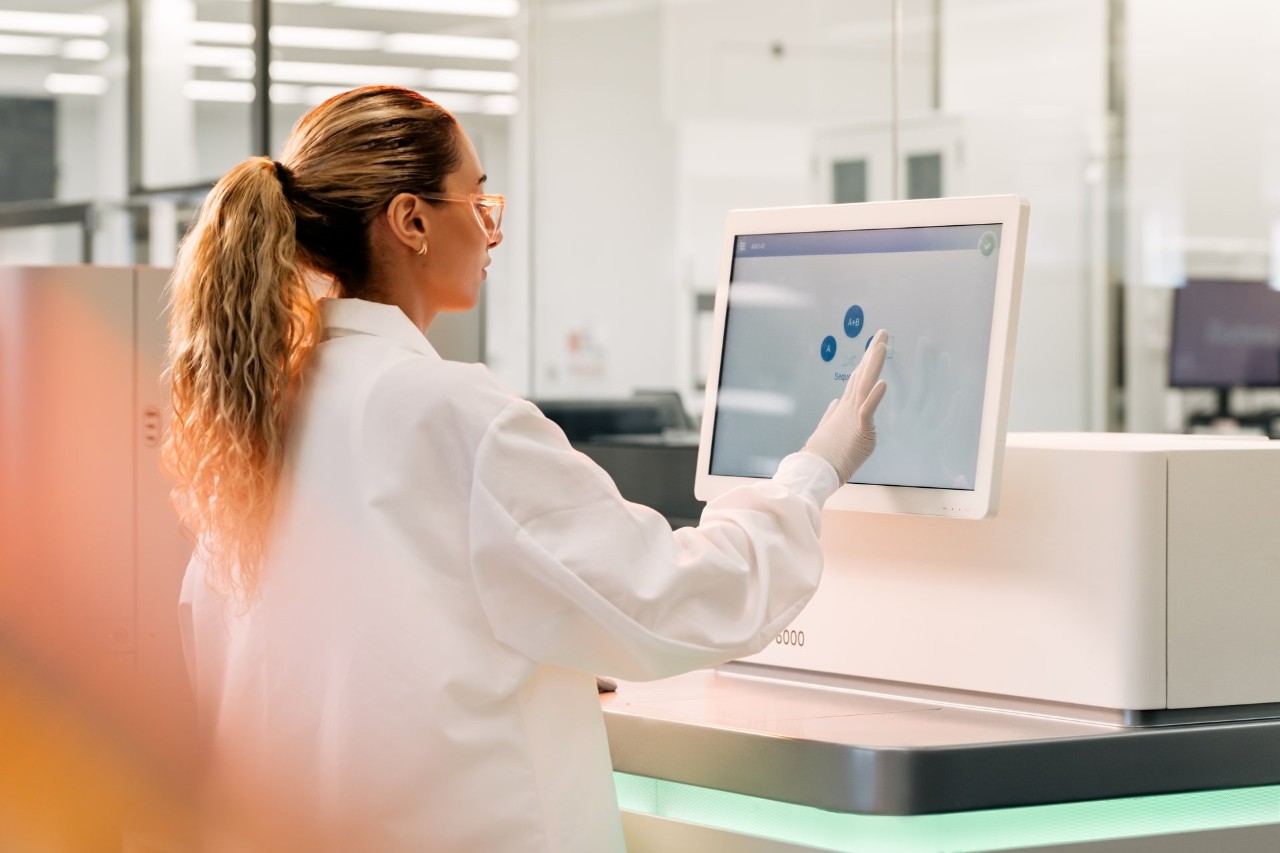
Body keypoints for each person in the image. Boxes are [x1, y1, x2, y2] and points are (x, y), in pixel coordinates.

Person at [164, 85, 888, 852]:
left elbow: (313, 651)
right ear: (412, 221)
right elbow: (672, 597)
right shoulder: (449, 410)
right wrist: (812, 473)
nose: (491, 232)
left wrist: (538, 652)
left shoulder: (261, 416)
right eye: (478, 200)